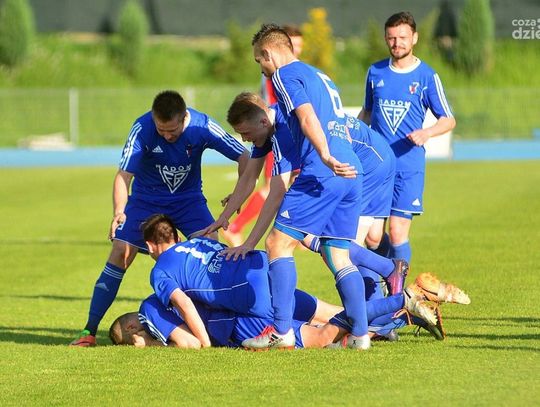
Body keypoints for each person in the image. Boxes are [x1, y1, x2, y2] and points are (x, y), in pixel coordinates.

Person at [243, 23, 407, 351]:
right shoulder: (320, 75)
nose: (261, 68)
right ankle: (360, 336)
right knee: (338, 254)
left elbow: (307, 118)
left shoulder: (283, 76)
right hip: (352, 169)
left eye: (259, 60)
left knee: (277, 243)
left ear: (269, 53)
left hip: (325, 169)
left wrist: (325, 155)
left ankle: (281, 332)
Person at [70, 90, 249, 347]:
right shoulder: (142, 128)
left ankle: (217, 325)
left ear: (184, 118)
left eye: (172, 131)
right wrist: (119, 211)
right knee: (120, 251)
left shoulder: (202, 126)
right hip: (146, 201)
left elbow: (244, 156)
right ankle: (89, 330)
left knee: (211, 250)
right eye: (161, 130)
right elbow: (123, 176)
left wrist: (239, 193)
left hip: (188, 201)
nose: (166, 136)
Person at [140, 213, 442, 348]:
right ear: (175, 236)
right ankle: (396, 317)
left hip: (249, 294)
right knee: (334, 312)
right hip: (263, 265)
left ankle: (402, 304)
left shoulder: (160, 270)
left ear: (151, 245)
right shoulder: (198, 241)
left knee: (324, 335)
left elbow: (184, 304)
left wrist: (205, 344)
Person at [358, 12, 456, 262]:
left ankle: (396, 286)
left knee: (397, 232)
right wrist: (351, 137)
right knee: (372, 237)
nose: (397, 43)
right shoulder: (376, 72)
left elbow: (448, 119)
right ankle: (388, 273)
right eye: (391, 38)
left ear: (414, 38)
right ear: (385, 38)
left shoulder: (427, 76)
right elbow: (367, 112)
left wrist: (427, 132)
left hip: (408, 166)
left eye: (402, 37)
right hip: (378, 165)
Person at [222, 25, 304, 247]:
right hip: (272, 133)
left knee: (288, 184)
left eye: (299, 46)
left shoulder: (289, 73)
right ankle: (237, 227)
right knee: (272, 187)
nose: (296, 50)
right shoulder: (277, 75)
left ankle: (300, 233)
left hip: (284, 135)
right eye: (293, 45)